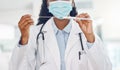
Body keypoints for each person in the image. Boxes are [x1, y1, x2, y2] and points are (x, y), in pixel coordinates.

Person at [9, 0, 112, 70]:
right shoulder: (35, 34)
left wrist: (90, 37)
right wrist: (24, 39)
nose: (59, 1)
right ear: (47, 3)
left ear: (72, 2)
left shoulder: (86, 33)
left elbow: (104, 67)